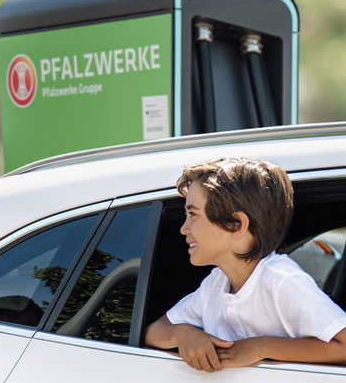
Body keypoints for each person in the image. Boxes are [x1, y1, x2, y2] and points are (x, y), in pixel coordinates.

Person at [146, 157, 346, 370]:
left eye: (193, 214)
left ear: (237, 225)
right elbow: (154, 331)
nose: (184, 228)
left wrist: (263, 347)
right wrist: (182, 334)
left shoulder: (282, 280)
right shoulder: (215, 284)